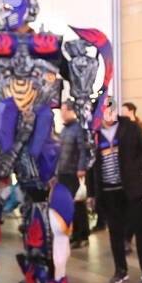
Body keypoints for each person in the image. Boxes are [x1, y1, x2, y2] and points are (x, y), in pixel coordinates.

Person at [89, 99, 142, 283]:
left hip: (133, 189)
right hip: (109, 192)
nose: (109, 115)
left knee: (141, 231)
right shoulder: (93, 134)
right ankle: (120, 270)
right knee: (115, 233)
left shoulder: (129, 126)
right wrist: (91, 193)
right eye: (104, 111)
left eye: (112, 110)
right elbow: (90, 166)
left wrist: (133, 168)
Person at [55, 102, 92, 248]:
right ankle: (74, 234)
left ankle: (82, 235)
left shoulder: (78, 128)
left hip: (74, 172)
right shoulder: (64, 130)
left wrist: (81, 168)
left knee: (78, 205)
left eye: (64, 110)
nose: (61, 113)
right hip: (63, 171)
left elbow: (83, 150)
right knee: (69, 205)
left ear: (71, 111)